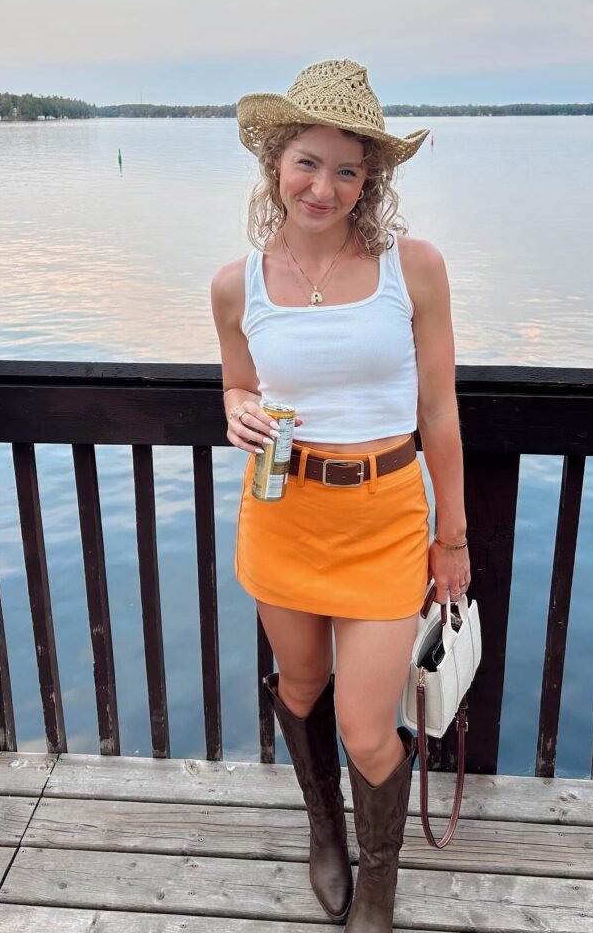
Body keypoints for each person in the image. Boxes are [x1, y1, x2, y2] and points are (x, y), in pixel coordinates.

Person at [211, 59, 471, 932]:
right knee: (299, 683)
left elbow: (438, 407)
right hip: (282, 514)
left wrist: (454, 539)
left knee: (368, 728)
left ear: (372, 181)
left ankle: (381, 886)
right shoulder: (235, 285)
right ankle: (325, 828)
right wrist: (239, 408)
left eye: (348, 169)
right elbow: (235, 388)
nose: (325, 186)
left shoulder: (414, 268)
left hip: (386, 518)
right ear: (276, 163)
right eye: (308, 163)